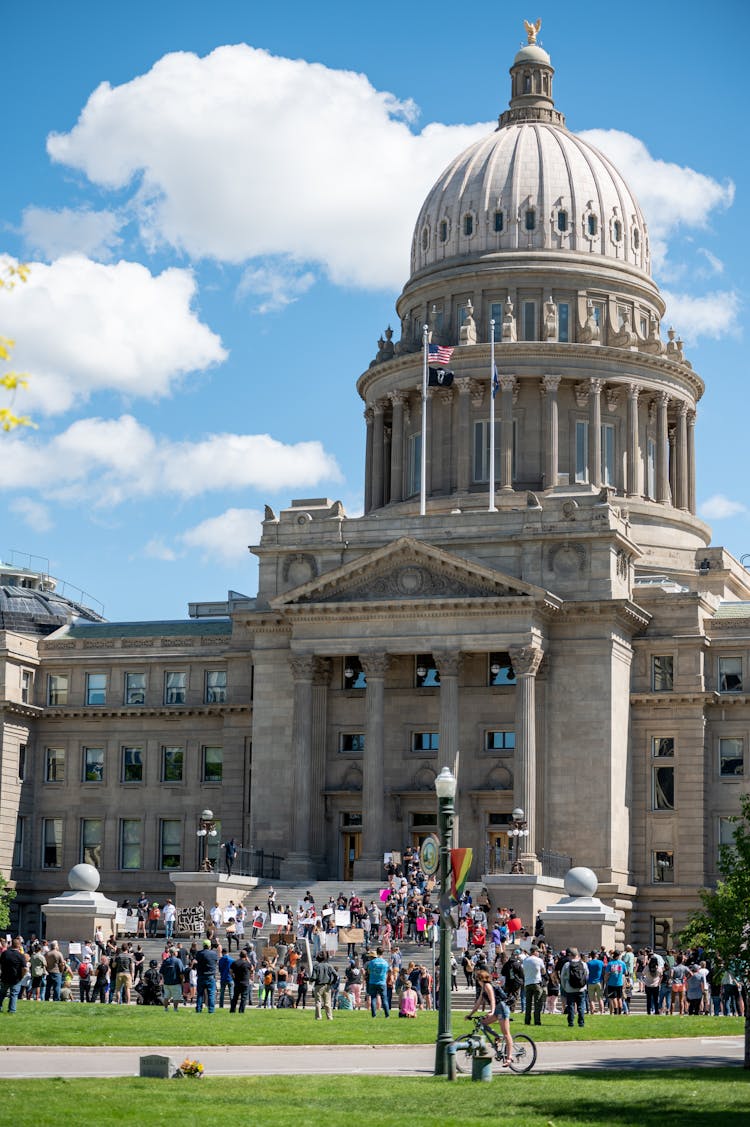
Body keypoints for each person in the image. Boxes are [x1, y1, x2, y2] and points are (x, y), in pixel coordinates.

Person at [465, 969, 513, 1064]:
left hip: (502, 1009)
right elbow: (478, 1003)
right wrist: (470, 1015)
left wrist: (492, 1011)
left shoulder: (488, 986)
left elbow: (492, 999)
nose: (476, 980)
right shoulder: (483, 988)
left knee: (506, 1033)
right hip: (496, 1010)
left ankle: (509, 1057)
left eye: (477, 978)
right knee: (482, 1023)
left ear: (480, 979)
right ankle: (497, 1037)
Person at [561, 947, 589, 1027]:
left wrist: (565, 987)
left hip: (570, 989)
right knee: (581, 1006)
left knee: (571, 1006)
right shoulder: (583, 964)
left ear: (570, 955)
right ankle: (581, 1023)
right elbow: (587, 975)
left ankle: (571, 1022)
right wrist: (584, 985)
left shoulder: (567, 965)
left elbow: (562, 977)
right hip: (581, 988)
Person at [0, 938, 28, 1013]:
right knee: (14, 994)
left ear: (11, 944)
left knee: (2, 994)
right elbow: (25, 968)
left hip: (4, 977)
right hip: (16, 978)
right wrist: (22, 976)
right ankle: (12, 1010)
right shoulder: (20, 955)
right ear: (19, 945)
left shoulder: (5, 953)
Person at [522, 945, 546, 1026]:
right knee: (537, 1003)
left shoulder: (525, 960)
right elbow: (543, 972)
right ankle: (537, 1021)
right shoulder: (539, 960)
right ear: (535, 951)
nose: (539, 953)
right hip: (536, 982)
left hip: (527, 983)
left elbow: (524, 971)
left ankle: (527, 1021)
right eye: (538, 951)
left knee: (528, 1004)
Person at [194, 940, 218, 1013]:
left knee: (200, 994)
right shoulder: (214, 954)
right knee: (211, 994)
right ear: (209, 946)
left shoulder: (199, 953)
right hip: (210, 976)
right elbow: (215, 962)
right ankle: (211, 1010)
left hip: (201, 975)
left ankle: (198, 1009)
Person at [310, 953, 336, 1020]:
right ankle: (329, 1017)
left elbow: (314, 977)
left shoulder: (316, 966)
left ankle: (318, 1017)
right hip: (327, 985)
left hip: (318, 985)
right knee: (327, 1003)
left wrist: (309, 979)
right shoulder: (329, 966)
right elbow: (336, 975)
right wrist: (333, 982)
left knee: (318, 1002)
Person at [366, 947, 390, 1018]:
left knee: (373, 998)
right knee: (384, 999)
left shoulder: (372, 962)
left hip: (373, 982)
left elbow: (369, 971)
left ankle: (374, 1015)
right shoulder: (385, 962)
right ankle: (387, 1015)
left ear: (377, 952)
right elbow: (387, 972)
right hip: (382, 982)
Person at [604, 950, 626, 1016]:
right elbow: (625, 972)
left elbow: (607, 974)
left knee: (613, 998)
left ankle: (615, 1011)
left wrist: (606, 980)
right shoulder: (622, 963)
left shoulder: (610, 963)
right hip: (619, 983)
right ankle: (620, 1012)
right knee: (619, 998)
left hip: (611, 983)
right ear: (619, 955)